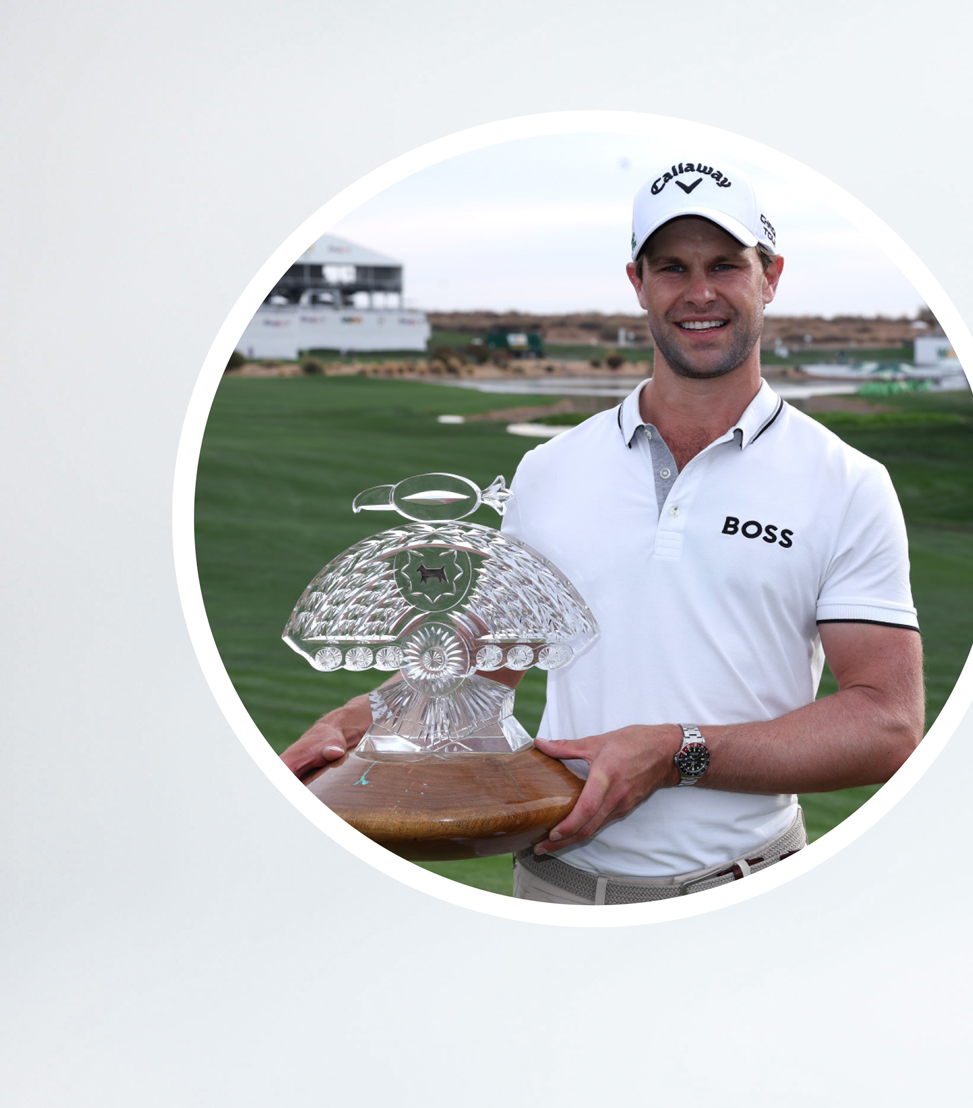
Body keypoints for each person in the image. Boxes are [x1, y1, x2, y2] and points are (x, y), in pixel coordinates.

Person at [282, 159, 925, 904]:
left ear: (770, 275)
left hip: (747, 892)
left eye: (725, 264)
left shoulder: (846, 483)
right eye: (672, 267)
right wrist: (360, 721)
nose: (699, 292)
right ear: (637, 283)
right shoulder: (550, 469)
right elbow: (486, 662)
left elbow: (887, 723)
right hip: (554, 888)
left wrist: (679, 752)